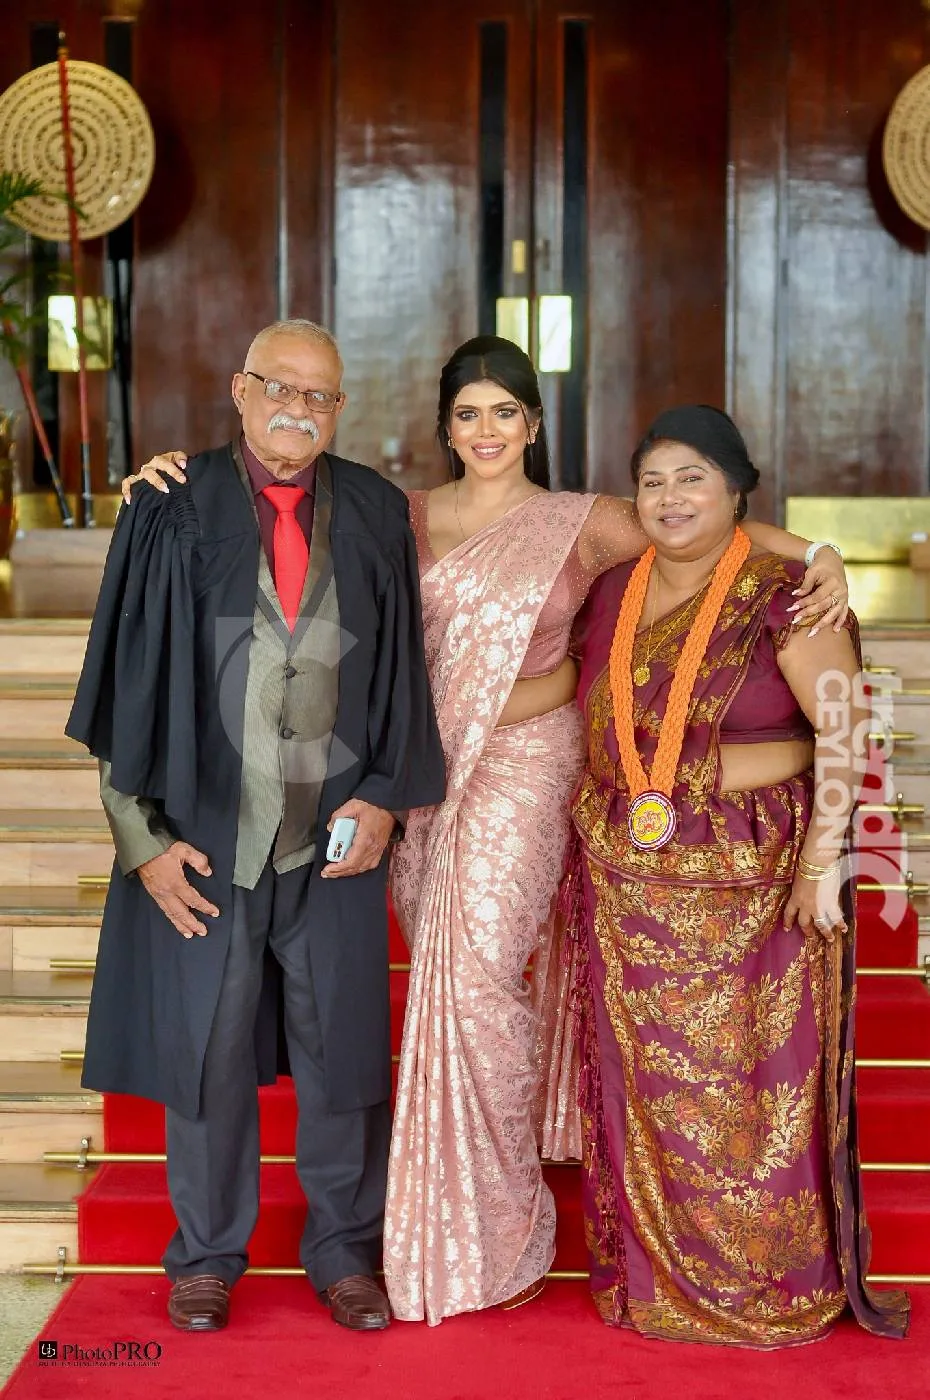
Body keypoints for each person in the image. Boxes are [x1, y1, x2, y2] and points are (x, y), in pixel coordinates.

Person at [123, 337, 851, 1328]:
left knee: (474, 985)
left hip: (520, 769)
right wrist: (161, 477)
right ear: (445, 425)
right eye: (468, 413)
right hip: (417, 782)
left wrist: (817, 553)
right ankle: (375, 1227)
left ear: (535, 423)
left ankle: (488, 1223)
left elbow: (698, 523)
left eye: (505, 412)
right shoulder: (395, 512)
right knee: (428, 987)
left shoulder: (583, 521)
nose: (487, 430)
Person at [66, 319, 446, 1335]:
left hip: (333, 835)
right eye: (280, 387)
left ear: (341, 409)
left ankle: (342, 1249)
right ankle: (204, 1254)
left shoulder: (372, 508)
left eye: (320, 395)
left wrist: (382, 797)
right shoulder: (167, 506)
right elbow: (124, 685)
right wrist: (141, 840)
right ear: (240, 389)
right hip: (204, 833)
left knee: (344, 1051)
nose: (299, 409)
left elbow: (405, 671)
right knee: (207, 1047)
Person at [564, 404, 909, 1346]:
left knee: (756, 1087)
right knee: (646, 1095)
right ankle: (658, 1282)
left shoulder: (786, 594)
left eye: (694, 478)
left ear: (737, 492)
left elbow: (842, 728)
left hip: (755, 886)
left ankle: (763, 1282)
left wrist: (824, 859)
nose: (671, 498)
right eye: (654, 481)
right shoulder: (612, 589)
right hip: (630, 884)